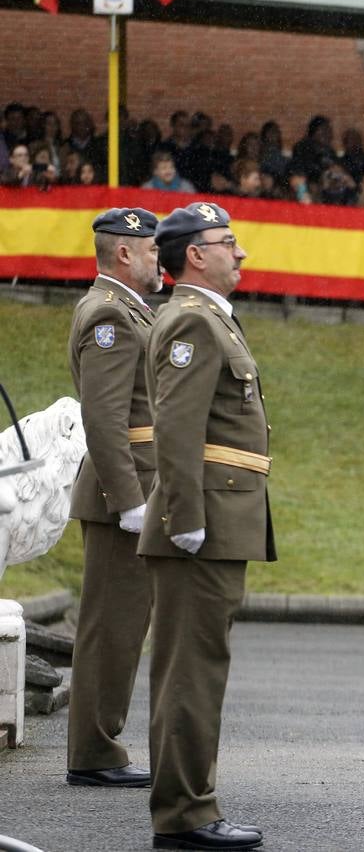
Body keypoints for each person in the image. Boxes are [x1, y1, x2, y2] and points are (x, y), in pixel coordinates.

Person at [140, 201, 274, 850]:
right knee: (190, 673)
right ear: (195, 254)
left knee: (197, 669)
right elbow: (177, 427)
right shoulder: (192, 323)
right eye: (228, 242)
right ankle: (187, 816)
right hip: (204, 523)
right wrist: (185, 519)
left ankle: (191, 806)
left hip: (221, 518)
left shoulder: (209, 321)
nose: (240, 253)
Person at [64, 208, 162, 790]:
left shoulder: (129, 311)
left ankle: (99, 745)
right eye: (151, 250)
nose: (159, 259)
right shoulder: (109, 315)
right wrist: (127, 499)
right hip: (118, 491)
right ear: (124, 252)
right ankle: (94, 752)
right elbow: (103, 416)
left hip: (131, 484)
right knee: (113, 626)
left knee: (124, 624)